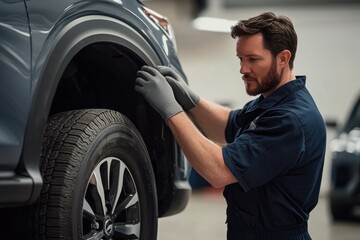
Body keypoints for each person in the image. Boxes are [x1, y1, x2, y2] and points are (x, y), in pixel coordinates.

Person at [135, 12, 326, 240]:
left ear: (283, 58)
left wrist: (170, 110)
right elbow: (227, 124)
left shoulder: (289, 119)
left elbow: (218, 170)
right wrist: (190, 100)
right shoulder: (271, 102)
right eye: (240, 59)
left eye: (252, 59)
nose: (243, 70)